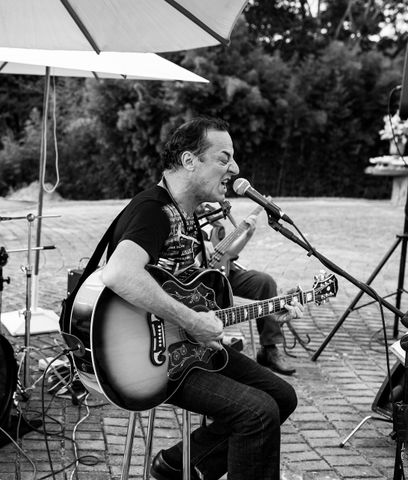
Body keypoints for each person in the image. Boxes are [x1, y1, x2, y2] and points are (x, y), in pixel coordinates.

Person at [100, 116, 301, 480]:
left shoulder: (188, 217)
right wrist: (192, 321)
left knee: (282, 397)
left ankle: (180, 465)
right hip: (147, 360)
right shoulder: (154, 210)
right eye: (224, 158)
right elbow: (118, 273)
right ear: (190, 161)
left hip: (187, 349)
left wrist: (272, 306)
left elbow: (198, 297)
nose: (235, 169)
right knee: (256, 413)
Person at [202, 206, 297, 375]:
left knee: (264, 282)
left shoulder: (215, 225)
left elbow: (227, 254)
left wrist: (247, 235)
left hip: (225, 273)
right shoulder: (184, 217)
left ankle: (269, 348)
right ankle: (213, 347)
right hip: (200, 280)